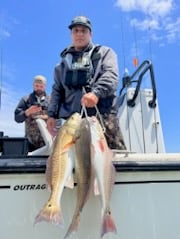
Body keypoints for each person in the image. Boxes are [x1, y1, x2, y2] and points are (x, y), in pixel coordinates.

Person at [47, 16, 126, 150]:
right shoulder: (60, 66)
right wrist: (51, 115)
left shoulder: (105, 53)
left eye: (84, 31)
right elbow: (57, 91)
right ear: (71, 34)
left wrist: (96, 93)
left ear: (90, 34)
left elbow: (111, 75)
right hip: (72, 122)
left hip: (102, 117)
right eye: (76, 30)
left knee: (114, 159)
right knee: (74, 164)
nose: (79, 34)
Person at [14, 75, 50, 151]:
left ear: (45, 86)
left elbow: (58, 118)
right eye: (37, 86)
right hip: (30, 144)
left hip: (48, 142)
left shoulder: (52, 101)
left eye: (41, 86)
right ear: (33, 85)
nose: (39, 88)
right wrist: (27, 112)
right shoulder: (26, 100)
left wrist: (47, 116)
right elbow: (17, 118)